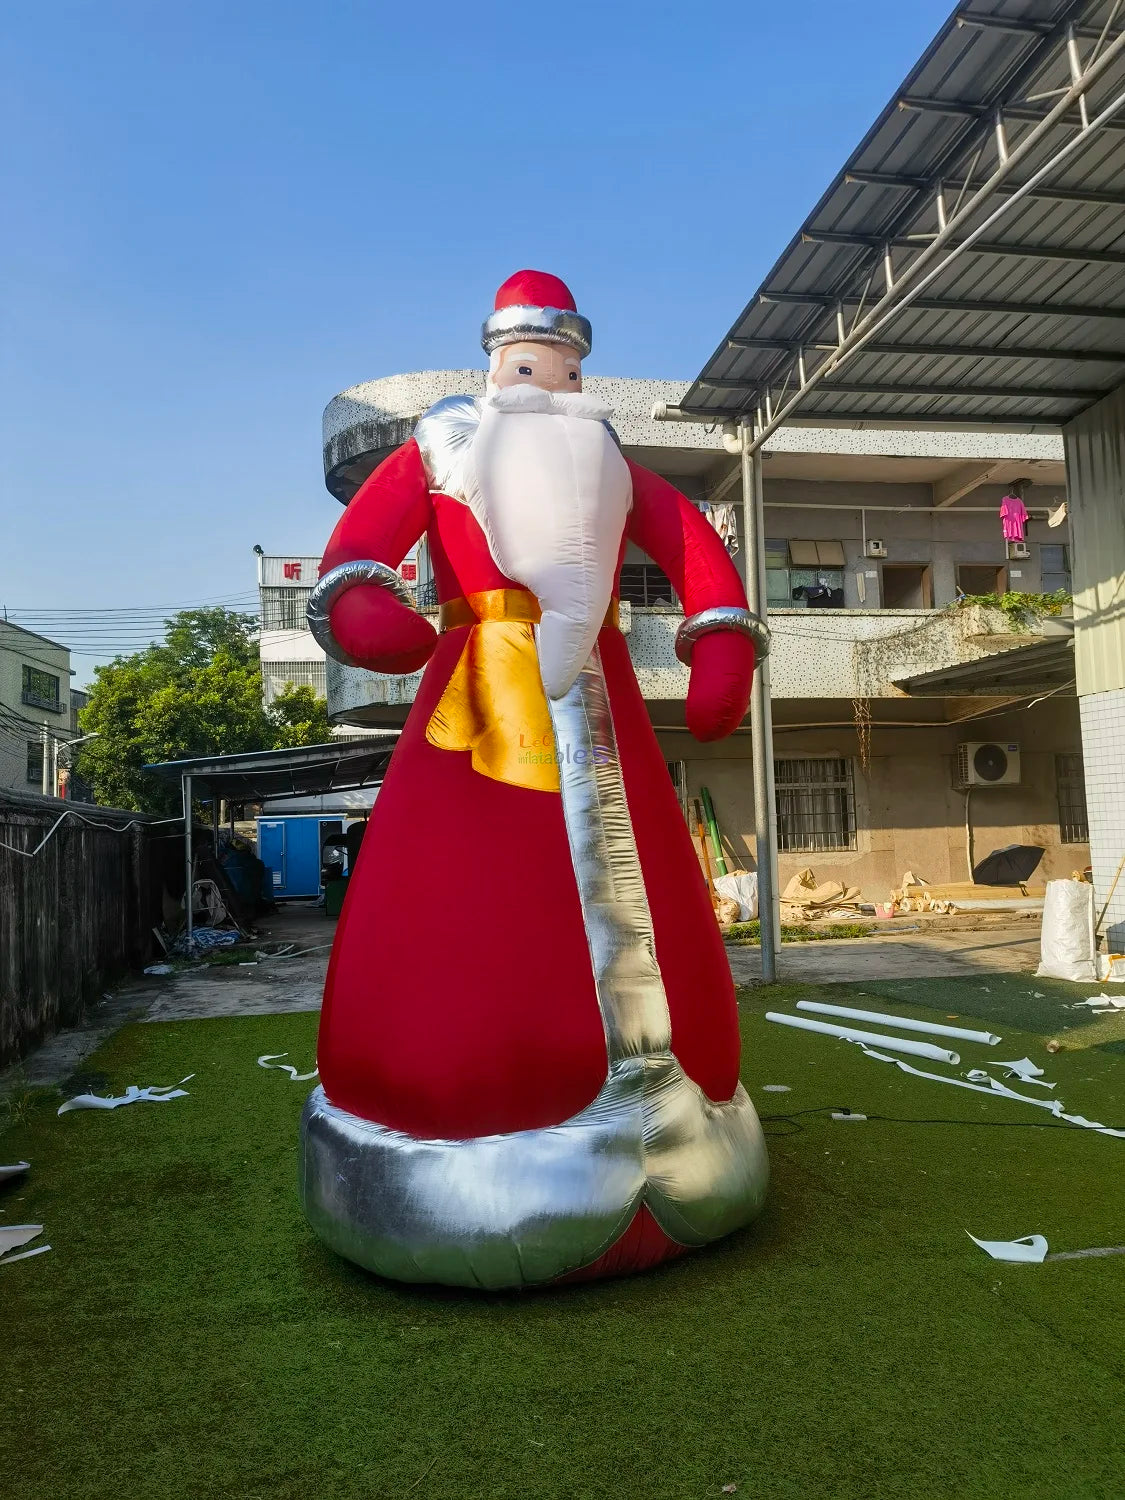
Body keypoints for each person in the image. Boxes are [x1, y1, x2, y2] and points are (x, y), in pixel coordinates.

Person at [300, 270, 770, 1287]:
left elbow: (690, 543)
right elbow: (359, 549)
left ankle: (685, 1108)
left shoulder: (605, 459)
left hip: (598, 692)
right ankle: (463, 1107)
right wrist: (359, 608)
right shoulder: (443, 445)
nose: (544, 381)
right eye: (525, 364)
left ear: (578, 373)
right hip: (480, 694)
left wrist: (723, 639)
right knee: (473, 894)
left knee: (643, 885)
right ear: (495, 364)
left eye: (560, 368)